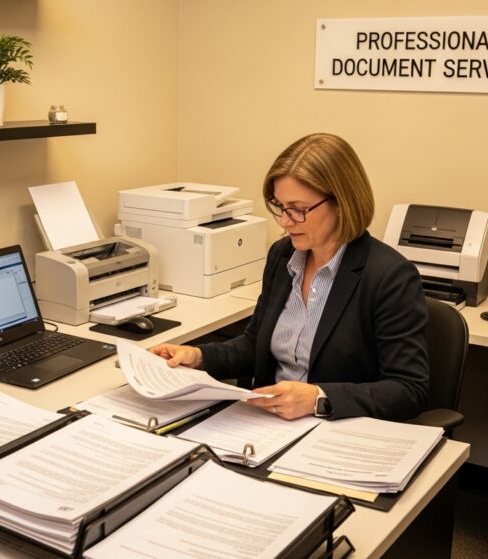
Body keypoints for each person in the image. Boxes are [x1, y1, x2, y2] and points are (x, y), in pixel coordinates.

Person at [150, 133, 429, 421]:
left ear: (342, 202)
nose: (285, 221)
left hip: (336, 427)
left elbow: (409, 390)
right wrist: (198, 357)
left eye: (299, 210)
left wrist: (319, 398)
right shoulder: (283, 256)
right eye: (281, 207)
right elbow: (254, 345)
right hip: (267, 423)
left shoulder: (389, 277)